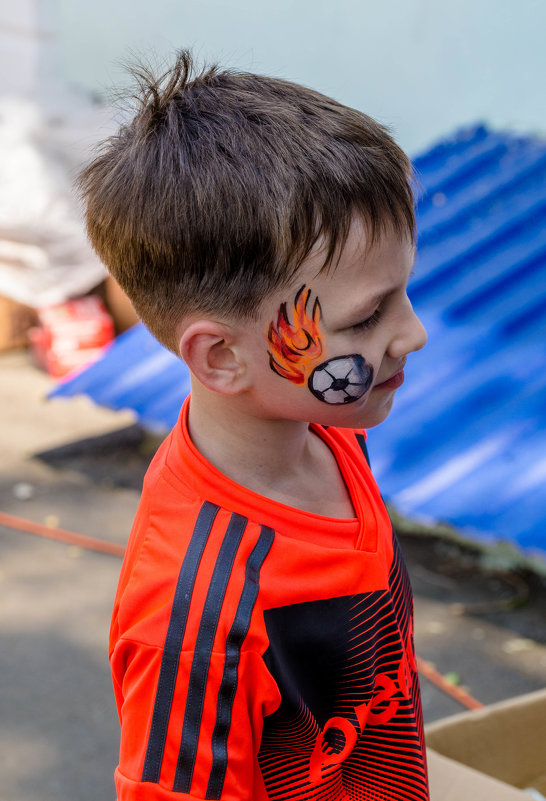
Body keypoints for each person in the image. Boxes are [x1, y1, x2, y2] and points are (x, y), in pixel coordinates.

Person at [79, 50, 429, 801]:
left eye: (403, 293)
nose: (414, 333)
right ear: (224, 358)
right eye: (367, 316)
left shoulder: (330, 430)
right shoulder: (199, 616)